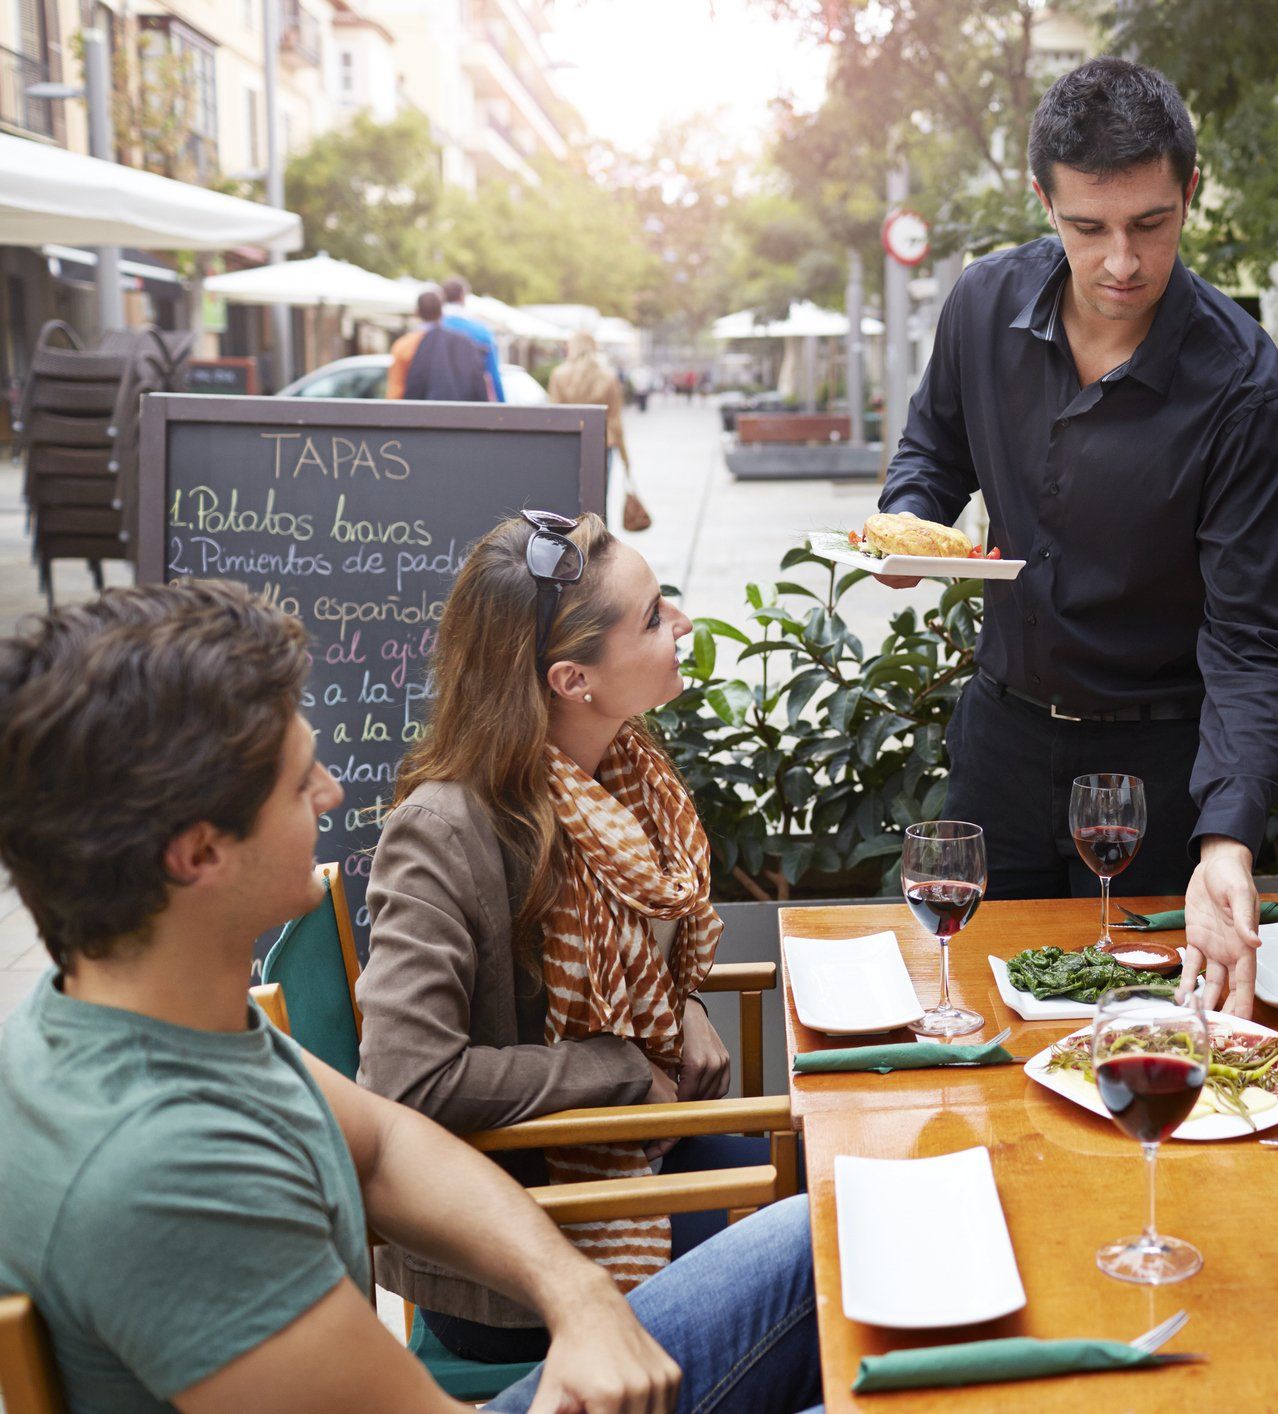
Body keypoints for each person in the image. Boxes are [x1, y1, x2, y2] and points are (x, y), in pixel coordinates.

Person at [0, 580, 821, 1413]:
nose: (331, 792)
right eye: (295, 784)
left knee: (822, 1235)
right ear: (198, 854)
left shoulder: (136, 1017)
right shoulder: (164, 1174)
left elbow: (384, 1143)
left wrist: (578, 1293)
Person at [878, 56, 1278, 1016]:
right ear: (1043, 201)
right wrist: (911, 523)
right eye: (1088, 228)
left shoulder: (1243, 387)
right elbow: (933, 449)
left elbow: (1252, 638)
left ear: (1188, 192)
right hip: (1000, 739)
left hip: (1159, 771)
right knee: (970, 1009)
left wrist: (1226, 839)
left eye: (1150, 224)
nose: (1122, 261)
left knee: (1143, 1034)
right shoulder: (982, 305)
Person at [359, 510, 770, 1368]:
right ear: (572, 680)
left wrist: (685, 1003)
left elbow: (638, 970)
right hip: (516, 1243)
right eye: (655, 617)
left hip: (625, 1154)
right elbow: (407, 1082)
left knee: (829, 1204)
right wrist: (619, 1070)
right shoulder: (442, 833)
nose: (682, 626)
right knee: (818, 1259)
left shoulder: (620, 776)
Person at [549, 331, 632, 495]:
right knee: (598, 498)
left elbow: (554, 416)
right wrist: (625, 457)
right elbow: (615, 419)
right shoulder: (608, 377)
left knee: (569, 497)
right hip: (602, 443)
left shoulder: (559, 375)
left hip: (569, 443)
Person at [441, 275, 506, 403]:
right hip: (471, 405)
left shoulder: (428, 332)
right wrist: (502, 406)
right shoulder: (481, 332)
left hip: (433, 405)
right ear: (463, 296)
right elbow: (493, 375)